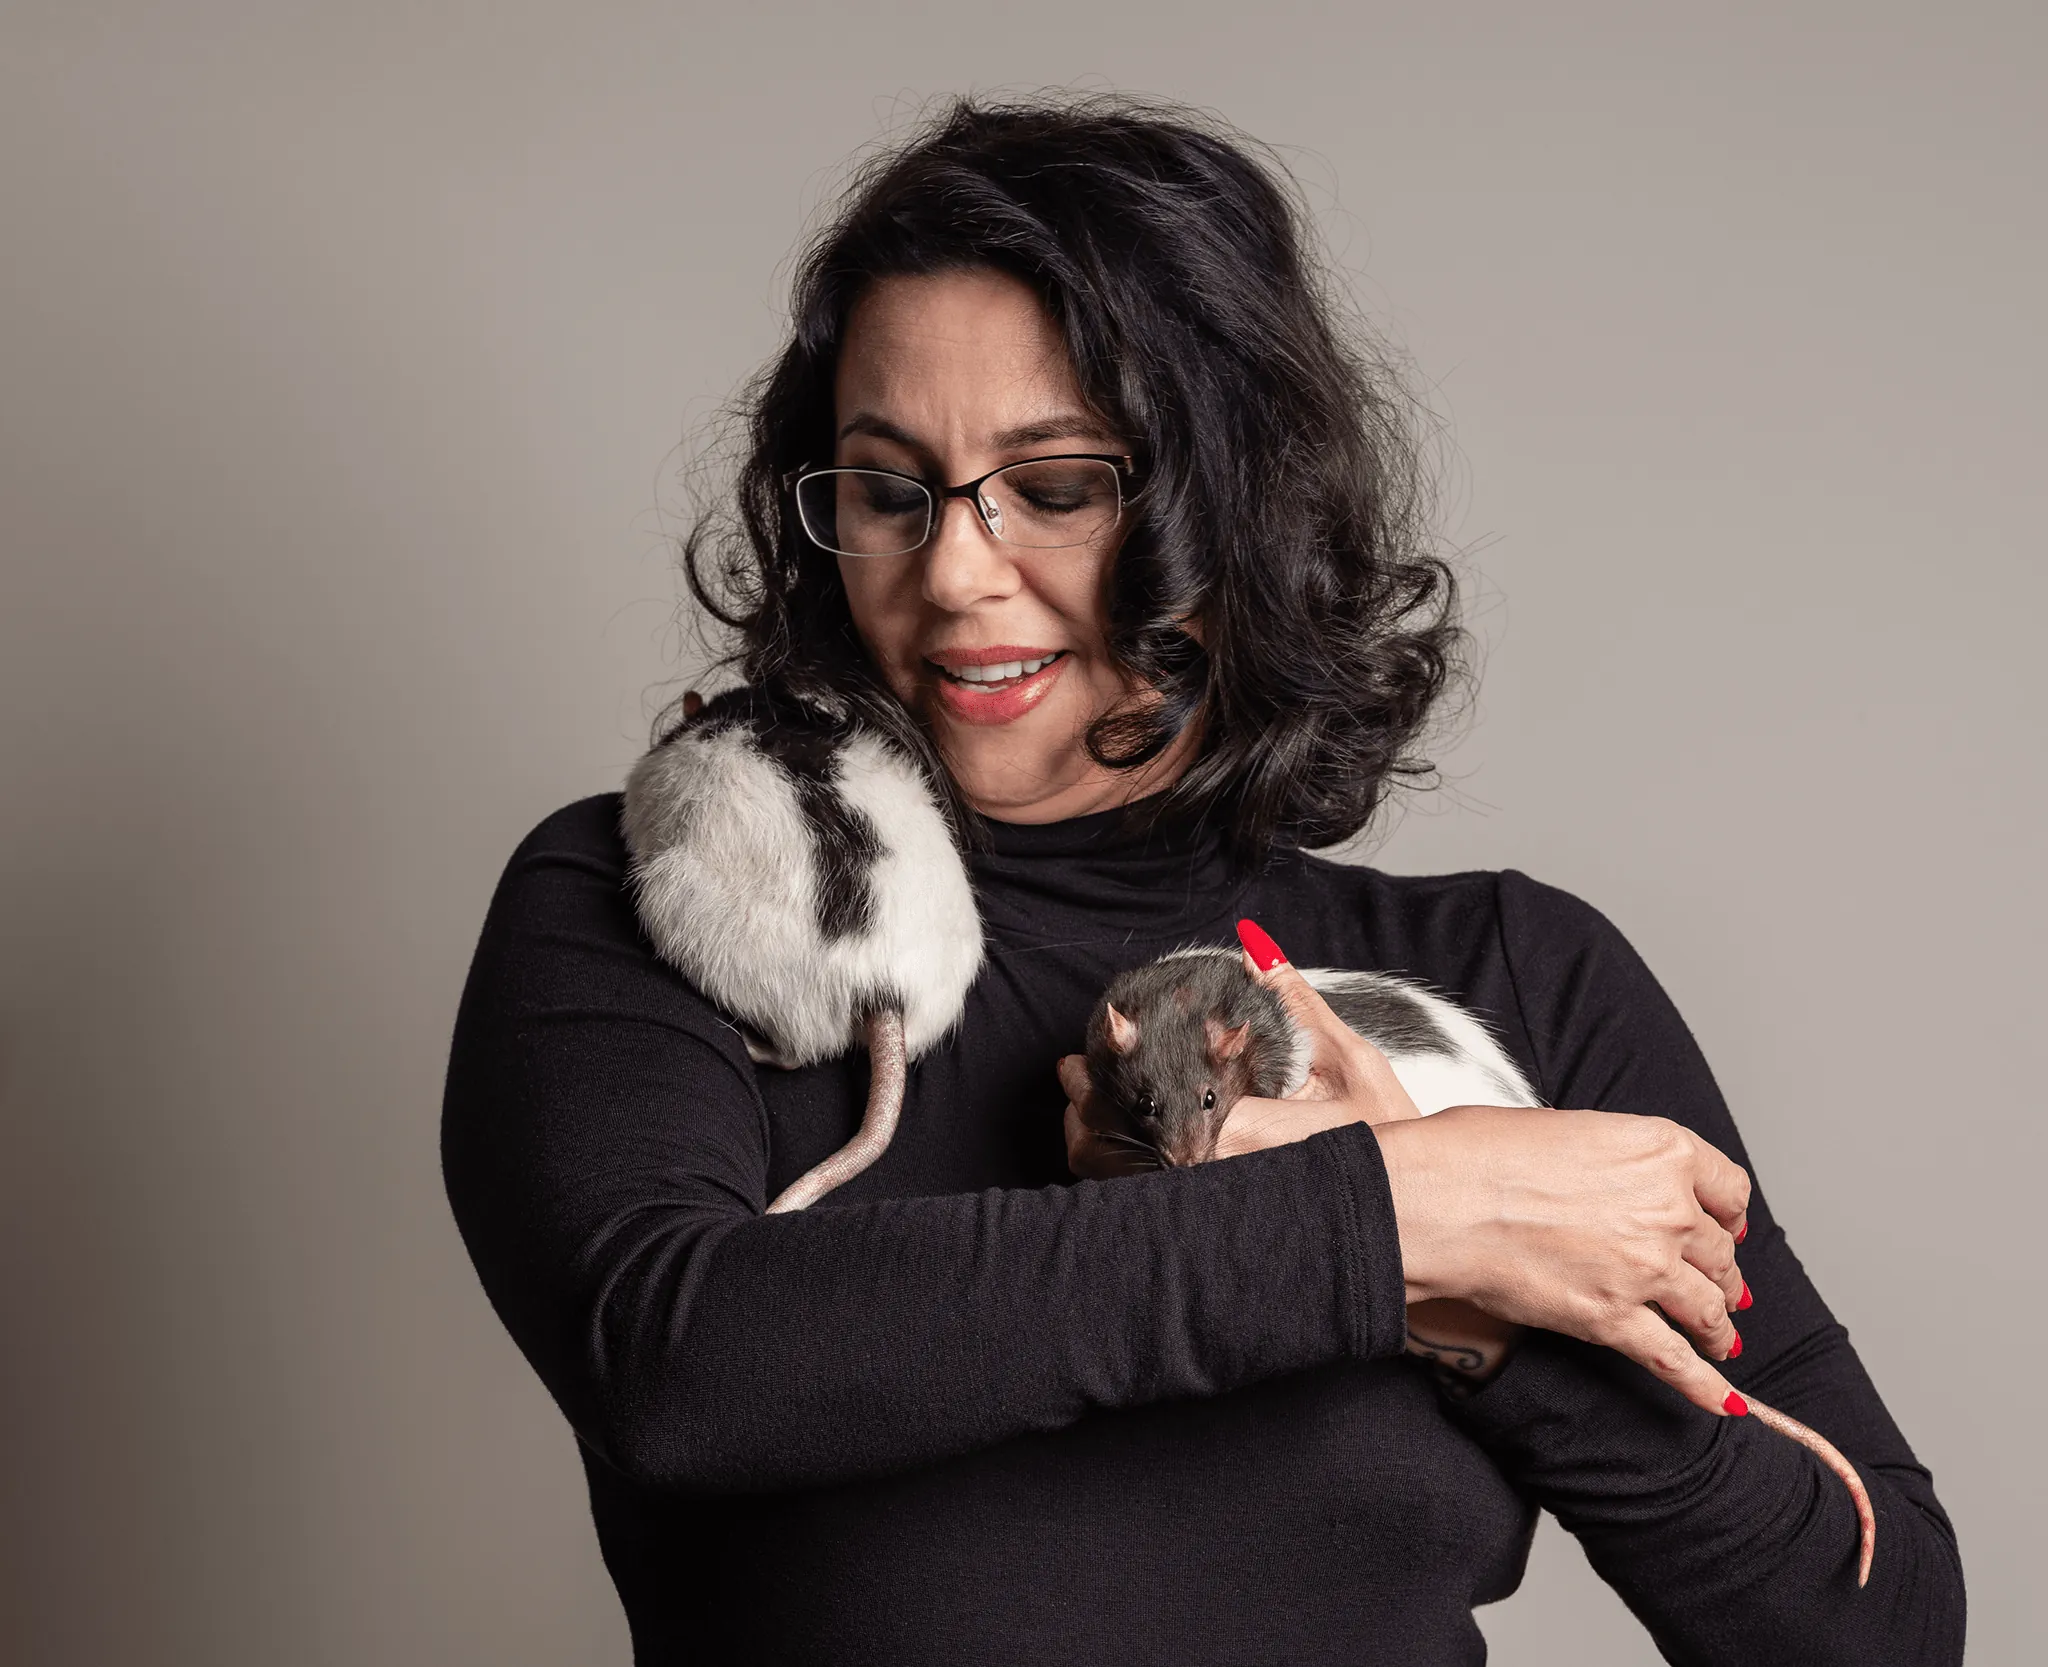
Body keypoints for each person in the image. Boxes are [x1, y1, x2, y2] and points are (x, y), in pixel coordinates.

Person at [440, 96, 1963, 1665]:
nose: (956, 571)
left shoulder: (1520, 977)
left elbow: (1881, 1625)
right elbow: (678, 1365)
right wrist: (1390, 1219)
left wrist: (1486, 1312)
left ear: (1224, 503)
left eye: (1058, 484)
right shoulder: (682, 907)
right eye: (892, 489)